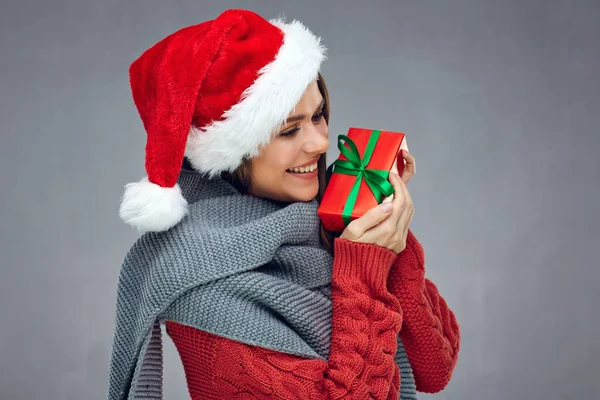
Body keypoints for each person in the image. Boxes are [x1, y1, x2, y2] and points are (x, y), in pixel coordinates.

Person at [107, 8, 460, 400]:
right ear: (234, 152)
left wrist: (387, 231)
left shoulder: (328, 223)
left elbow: (435, 366)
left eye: (319, 115)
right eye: (290, 130)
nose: (321, 143)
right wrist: (364, 269)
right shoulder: (203, 283)